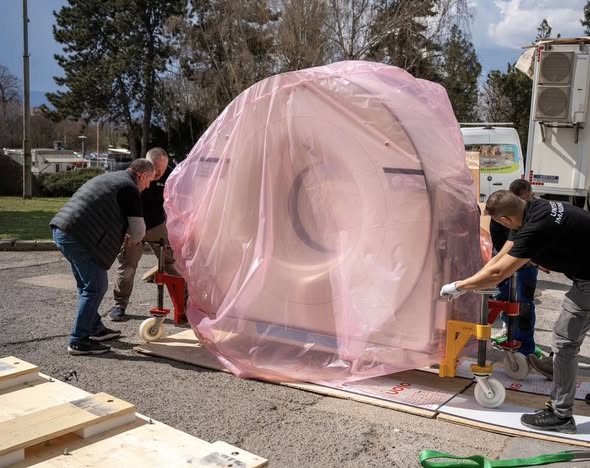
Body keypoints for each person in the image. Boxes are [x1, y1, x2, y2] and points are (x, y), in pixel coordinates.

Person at [440, 190, 590, 434]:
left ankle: (561, 415)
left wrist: (459, 287)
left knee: (565, 342)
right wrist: (472, 282)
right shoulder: (530, 209)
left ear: (504, 220)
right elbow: (499, 259)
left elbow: (499, 273)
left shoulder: (536, 227)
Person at [50, 159, 155, 355]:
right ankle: (79, 341)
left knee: (87, 286)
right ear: (142, 176)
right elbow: (139, 231)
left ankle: (94, 328)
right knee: (95, 287)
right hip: (77, 236)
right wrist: (134, 239)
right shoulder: (129, 187)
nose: (148, 186)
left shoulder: (112, 178)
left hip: (63, 229)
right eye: (149, 180)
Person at [110, 147, 181, 322]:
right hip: (133, 226)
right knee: (127, 266)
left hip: (157, 226)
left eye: (162, 170)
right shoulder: (130, 172)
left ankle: (182, 306)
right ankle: (119, 304)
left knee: (172, 264)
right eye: (155, 170)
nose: (158, 175)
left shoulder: (172, 175)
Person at [488, 179, 538, 357]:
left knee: (523, 305)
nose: (523, 205)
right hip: (508, 260)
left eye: (526, 199)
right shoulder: (502, 212)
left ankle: (524, 347)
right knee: (503, 299)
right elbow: (501, 246)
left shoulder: (535, 211)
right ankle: (507, 331)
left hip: (526, 265)